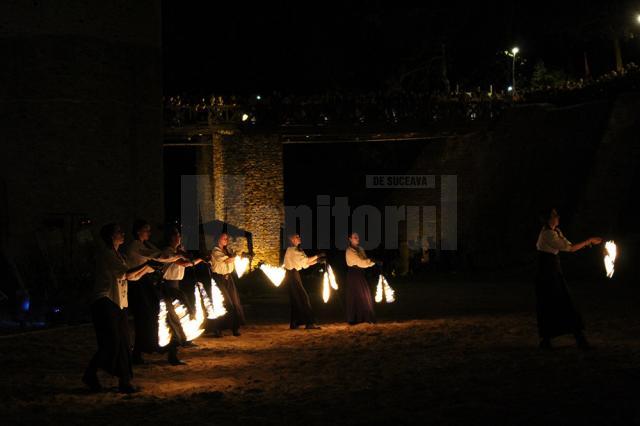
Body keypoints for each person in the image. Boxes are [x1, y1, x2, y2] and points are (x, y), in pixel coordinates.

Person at [83, 223, 154, 394]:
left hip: (118, 303)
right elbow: (126, 274)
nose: (122, 233)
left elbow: (131, 277)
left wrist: (147, 269)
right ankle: (91, 374)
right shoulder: (106, 255)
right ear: (110, 237)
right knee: (112, 342)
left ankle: (125, 381)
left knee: (124, 342)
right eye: (118, 232)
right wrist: (146, 265)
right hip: (104, 302)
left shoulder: (119, 256)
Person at [535, 208, 602, 350]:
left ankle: (549, 340)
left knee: (557, 302)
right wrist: (588, 240)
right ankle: (573, 338)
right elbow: (570, 249)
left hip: (552, 270)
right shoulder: (547, 234)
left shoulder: (555, 232)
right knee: (558, 302)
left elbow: (570, 246)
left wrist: (588, 242)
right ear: (549, 219)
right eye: (554, 215)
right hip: (547, 272)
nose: (558, 217)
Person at [124, 219, 183, 365]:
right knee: (145, 320)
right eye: (146, 229)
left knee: (150, 319)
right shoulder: (136, 246)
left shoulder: (145, 245)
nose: (149, 232)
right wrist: (179, 256)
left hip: (145, 285)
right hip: (138, 287)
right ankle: (138, 353)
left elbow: (157, 258)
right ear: (138, 231)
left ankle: (141, 352)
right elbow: (159, 257)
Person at [209, 232, 246, 337]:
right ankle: (218, 328)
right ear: (218, 239)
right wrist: (238, 256)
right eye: (224, 238)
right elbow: (228, 260)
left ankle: (235, 327)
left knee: (235, 303)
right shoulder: (215, 250)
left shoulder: (228, 250)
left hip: (228, 278)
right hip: (219, 279)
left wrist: (238, 255)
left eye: (227, 238)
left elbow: (231, 260)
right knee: (223, 304)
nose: (226, 240)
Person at [283, 234, 321, 330]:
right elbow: (306, 261)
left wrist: (317, 261)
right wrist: (318, 256)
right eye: (296, 237)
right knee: (303, 298)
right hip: (292, 275)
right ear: (291, 239)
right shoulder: (292, 250)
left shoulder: (296, 250)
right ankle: (309, 323)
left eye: (299, 236)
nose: (299, 238)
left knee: (296, 299)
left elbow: (305, 263)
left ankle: (295, 323)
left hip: (293, 275)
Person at [345, 232, 377, 325]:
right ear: (350, 239)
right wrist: (371, 261)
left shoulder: (360, 249)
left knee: (364, 294)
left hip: (360, 273)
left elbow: (364, 261)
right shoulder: (349, 251)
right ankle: (354, 318)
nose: (357, 239)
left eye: (358, 237)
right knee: (355, 295)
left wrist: (372, 262)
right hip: (353, 275)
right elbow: (360, 262)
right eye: (355, 237)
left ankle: (364, 317)